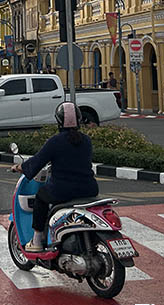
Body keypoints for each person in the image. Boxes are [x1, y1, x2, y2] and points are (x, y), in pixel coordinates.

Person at [9, 102, 98, 254]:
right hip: (89, 188)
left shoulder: (56, 142)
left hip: (63, 190)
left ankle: (36, 240)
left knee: (41, 197)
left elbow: (37, 161)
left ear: (59, 121)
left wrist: (19, 167)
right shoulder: (86, 141)